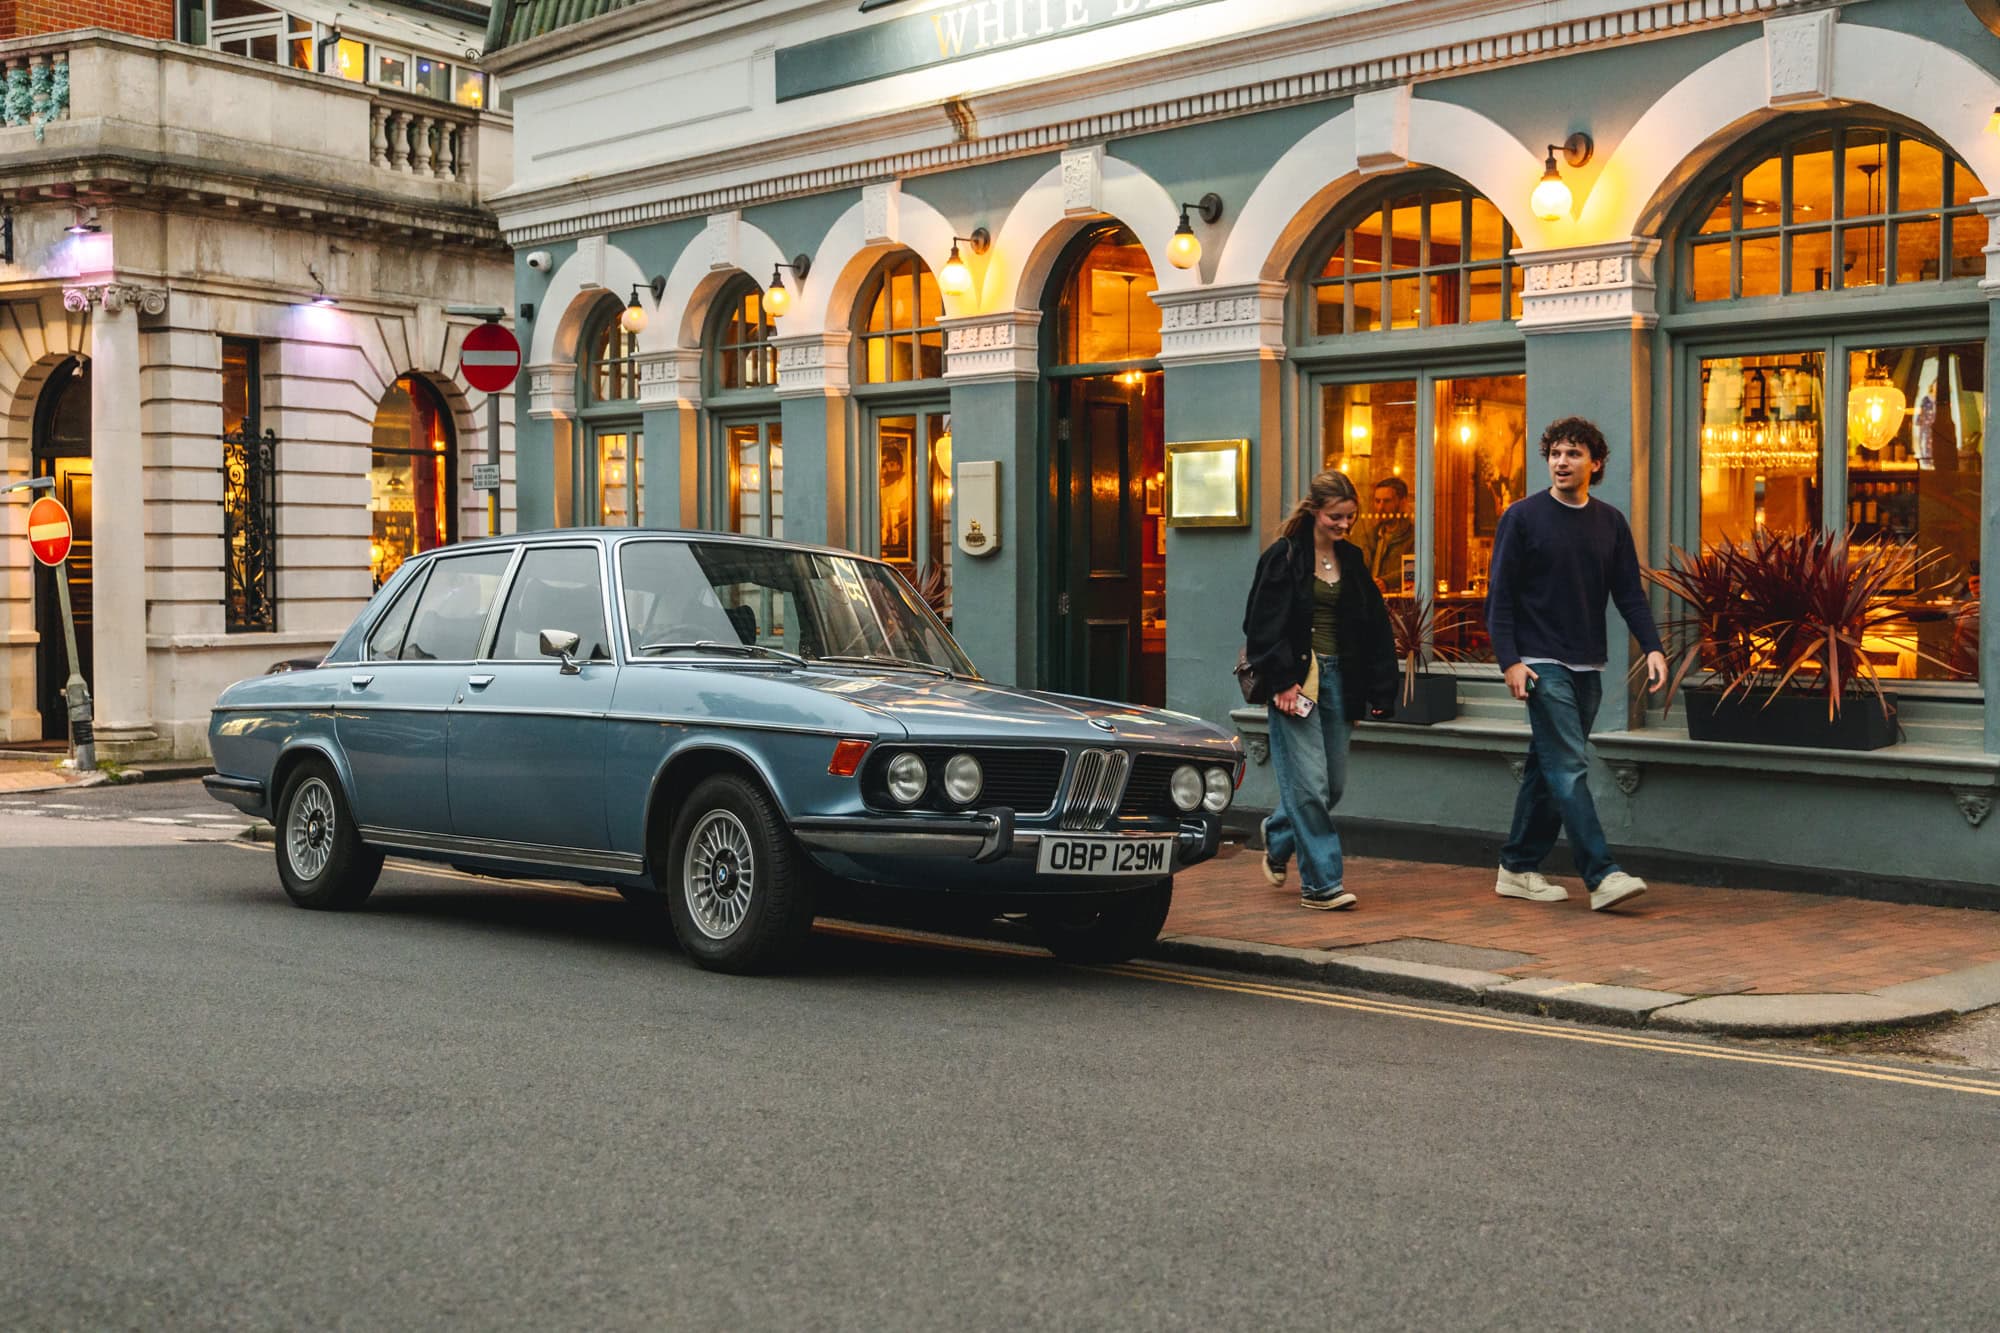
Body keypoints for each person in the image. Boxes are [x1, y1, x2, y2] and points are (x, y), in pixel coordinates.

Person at [1486, 416, 1668, 913]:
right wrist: (1511, 662)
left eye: (1573, 454)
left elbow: (1628, 592)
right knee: (1569, 765)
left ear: (1596, 463)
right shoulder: (1521, 518)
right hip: (1541, 664)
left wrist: (1651, 646)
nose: (1562, 462)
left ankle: (1518, 866)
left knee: (1547, 768)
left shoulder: (1609, 522)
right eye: (1555, 454)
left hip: (1589, 664)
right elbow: (1499, 599)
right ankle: (1602, 874)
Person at [1242, 469, 1398, 910]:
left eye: (1350, 517)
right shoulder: (1285, 557)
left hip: (1340, 683)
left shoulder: (1353, 560)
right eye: (1336, 517)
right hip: (1297, 683)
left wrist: (1382, 691)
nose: (1344, 526)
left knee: (1332, 787)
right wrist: (1281, 682)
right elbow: (1260, 626)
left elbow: (1375, 628)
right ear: (1314, 510)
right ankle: (1322, 885)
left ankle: (1278, 832)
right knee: (1309, 786)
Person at [1360, 475, 1414, 592]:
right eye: (1377, 501)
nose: (1380, 507)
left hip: (1400, 605)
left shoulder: (1413, 536)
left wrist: (1386, 582)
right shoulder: (1371, 536)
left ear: (1402, 502)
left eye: (1387, 501)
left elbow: (1415, 570)